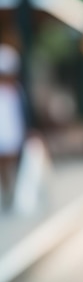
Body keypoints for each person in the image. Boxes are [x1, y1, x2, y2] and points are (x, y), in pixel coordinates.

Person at [0, 44, 27, 212]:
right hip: (5, 134)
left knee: (13, 165)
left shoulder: (16, 90)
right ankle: (8, 192)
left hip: (14, 135)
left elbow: (21, 113)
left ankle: (13, 193)